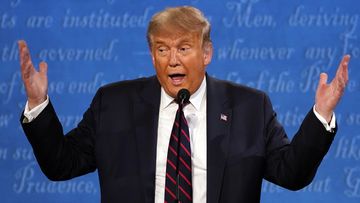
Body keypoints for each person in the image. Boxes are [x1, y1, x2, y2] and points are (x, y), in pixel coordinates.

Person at [18, 6, 350, 203]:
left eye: (183, 48)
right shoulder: (114, 103)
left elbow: (291, 174)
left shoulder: (250, 107)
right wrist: (38, 102)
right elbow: (61, 164)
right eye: (162, 50)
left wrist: (321, 113)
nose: (172, 60)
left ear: (207, 53)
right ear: (152, 55)